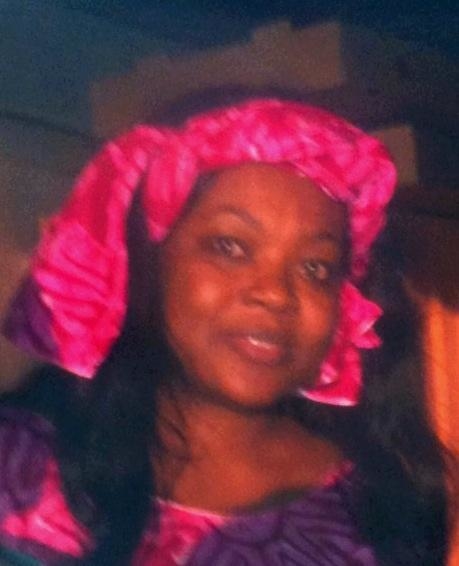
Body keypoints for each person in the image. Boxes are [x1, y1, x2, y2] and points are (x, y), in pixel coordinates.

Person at [0, 97, 453, 565]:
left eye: (315, 268)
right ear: (148, 260)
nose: (275, 294)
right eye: (230, 247)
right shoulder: (23, 472)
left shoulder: (381, 500)